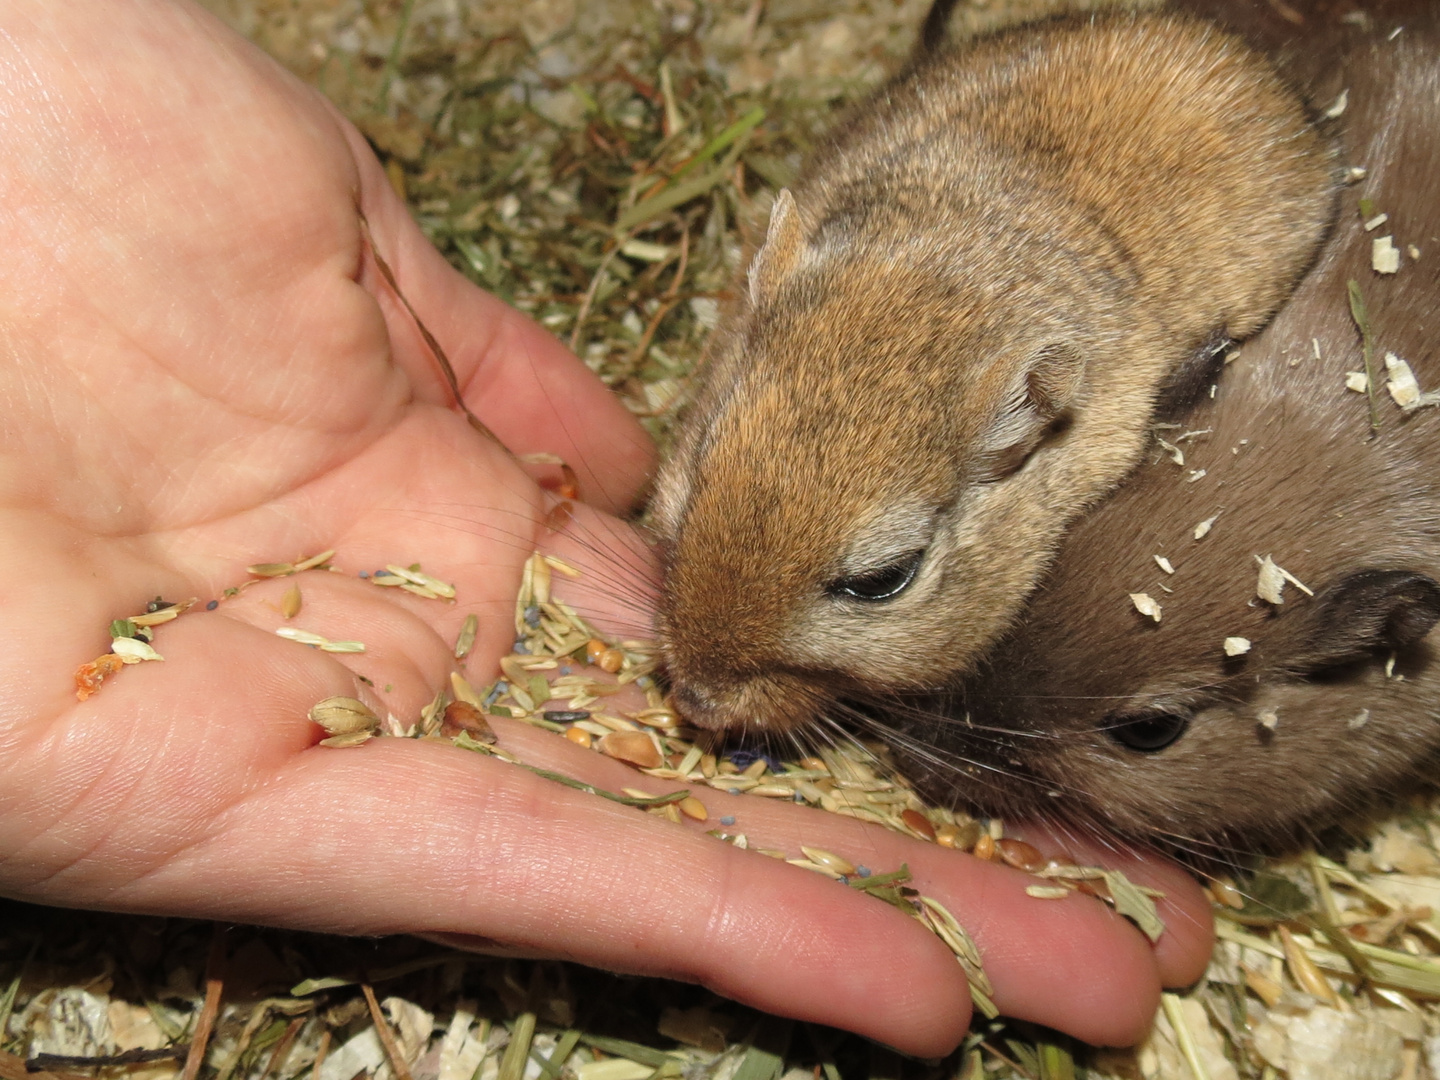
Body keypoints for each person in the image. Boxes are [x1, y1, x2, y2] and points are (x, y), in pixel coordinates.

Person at [0, 0, 1213, 1056]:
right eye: (688, 511)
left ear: (1034, 424)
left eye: (873, 578)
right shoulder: (813, 280)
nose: (690, 690)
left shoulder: (1091, 380)